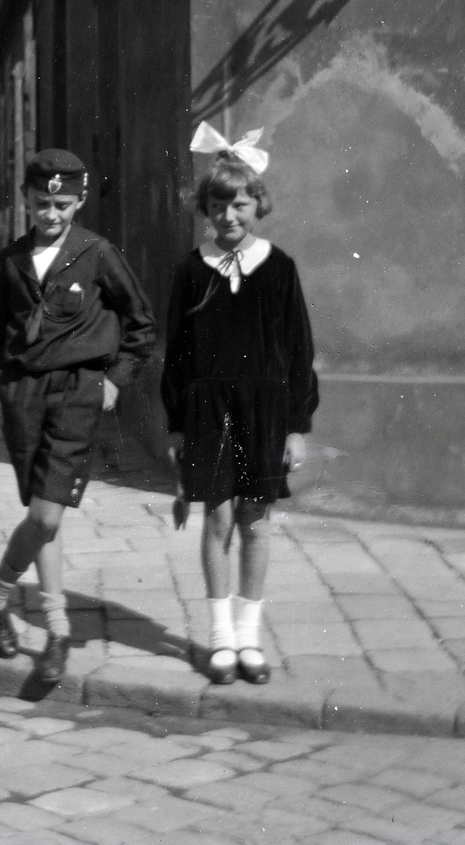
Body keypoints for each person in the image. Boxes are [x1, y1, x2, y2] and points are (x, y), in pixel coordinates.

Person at [0, 149, 155, 684]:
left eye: (60, 204)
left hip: (78, 393)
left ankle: (0, 592)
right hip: (25, 397)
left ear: (78, 201)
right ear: (26, 200)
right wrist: (0, 381)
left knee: (48, 515)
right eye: (40, 203)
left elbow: (140, 323)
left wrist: (114, 382)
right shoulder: (11, 260)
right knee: (40, 513)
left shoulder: (97, 254)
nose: (50, 214)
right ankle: (55, 630)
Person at [161, 124, 319, 687]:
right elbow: (176, 353)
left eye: (241, 203)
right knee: (218, 516)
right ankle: (221, 637)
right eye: (218, 204)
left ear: (258, 206)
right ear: (204, 207)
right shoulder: (190, 268)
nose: (229, 215)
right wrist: (176, 423)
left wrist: (297, 427)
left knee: (256, 519)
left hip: (265, 410)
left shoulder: (279, 269)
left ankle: (250, 638)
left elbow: (299, 350)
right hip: (207, 408)